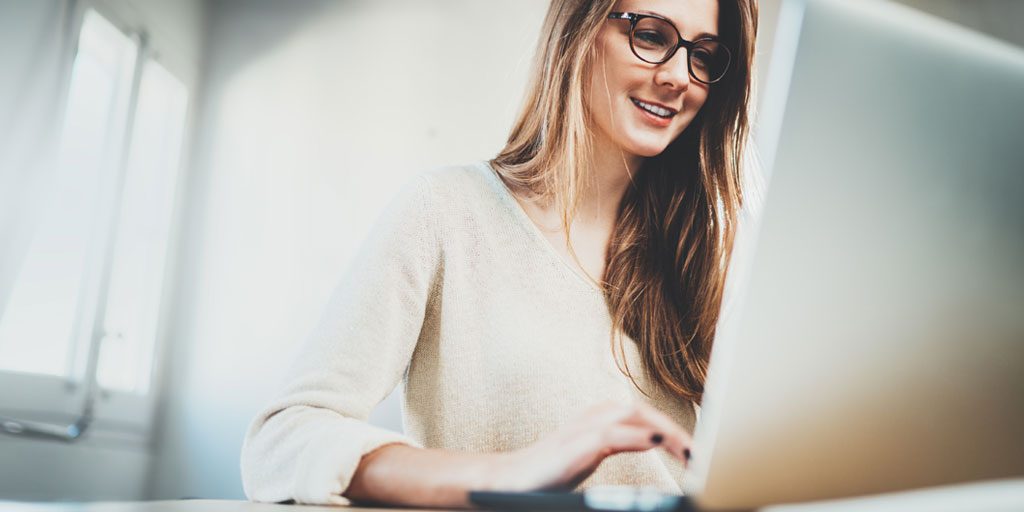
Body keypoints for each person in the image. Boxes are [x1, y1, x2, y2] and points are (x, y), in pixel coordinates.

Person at [240, 0, 758, 508]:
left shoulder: (711, 258)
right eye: (650, 35)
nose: (680, 77)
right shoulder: (445, 212)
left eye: (705, 57)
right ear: (578, 30)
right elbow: (282, 441)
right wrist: (506, 474)